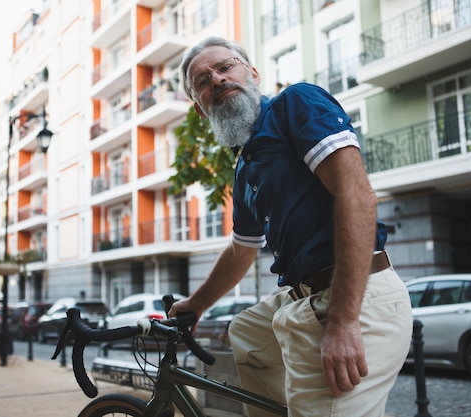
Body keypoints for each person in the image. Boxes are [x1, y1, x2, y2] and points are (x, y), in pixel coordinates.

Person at [168, 36, 413, 417]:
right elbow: (240, 250)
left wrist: (344, 322)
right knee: (246, 332)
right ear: (200, 109)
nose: (216, 79)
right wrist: (196, 304)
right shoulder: (245, 167)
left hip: (355, 298)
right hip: (303, 300)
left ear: (252, 74)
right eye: (202, 81)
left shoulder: (294, 103)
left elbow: (357, 195)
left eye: (225, 67)